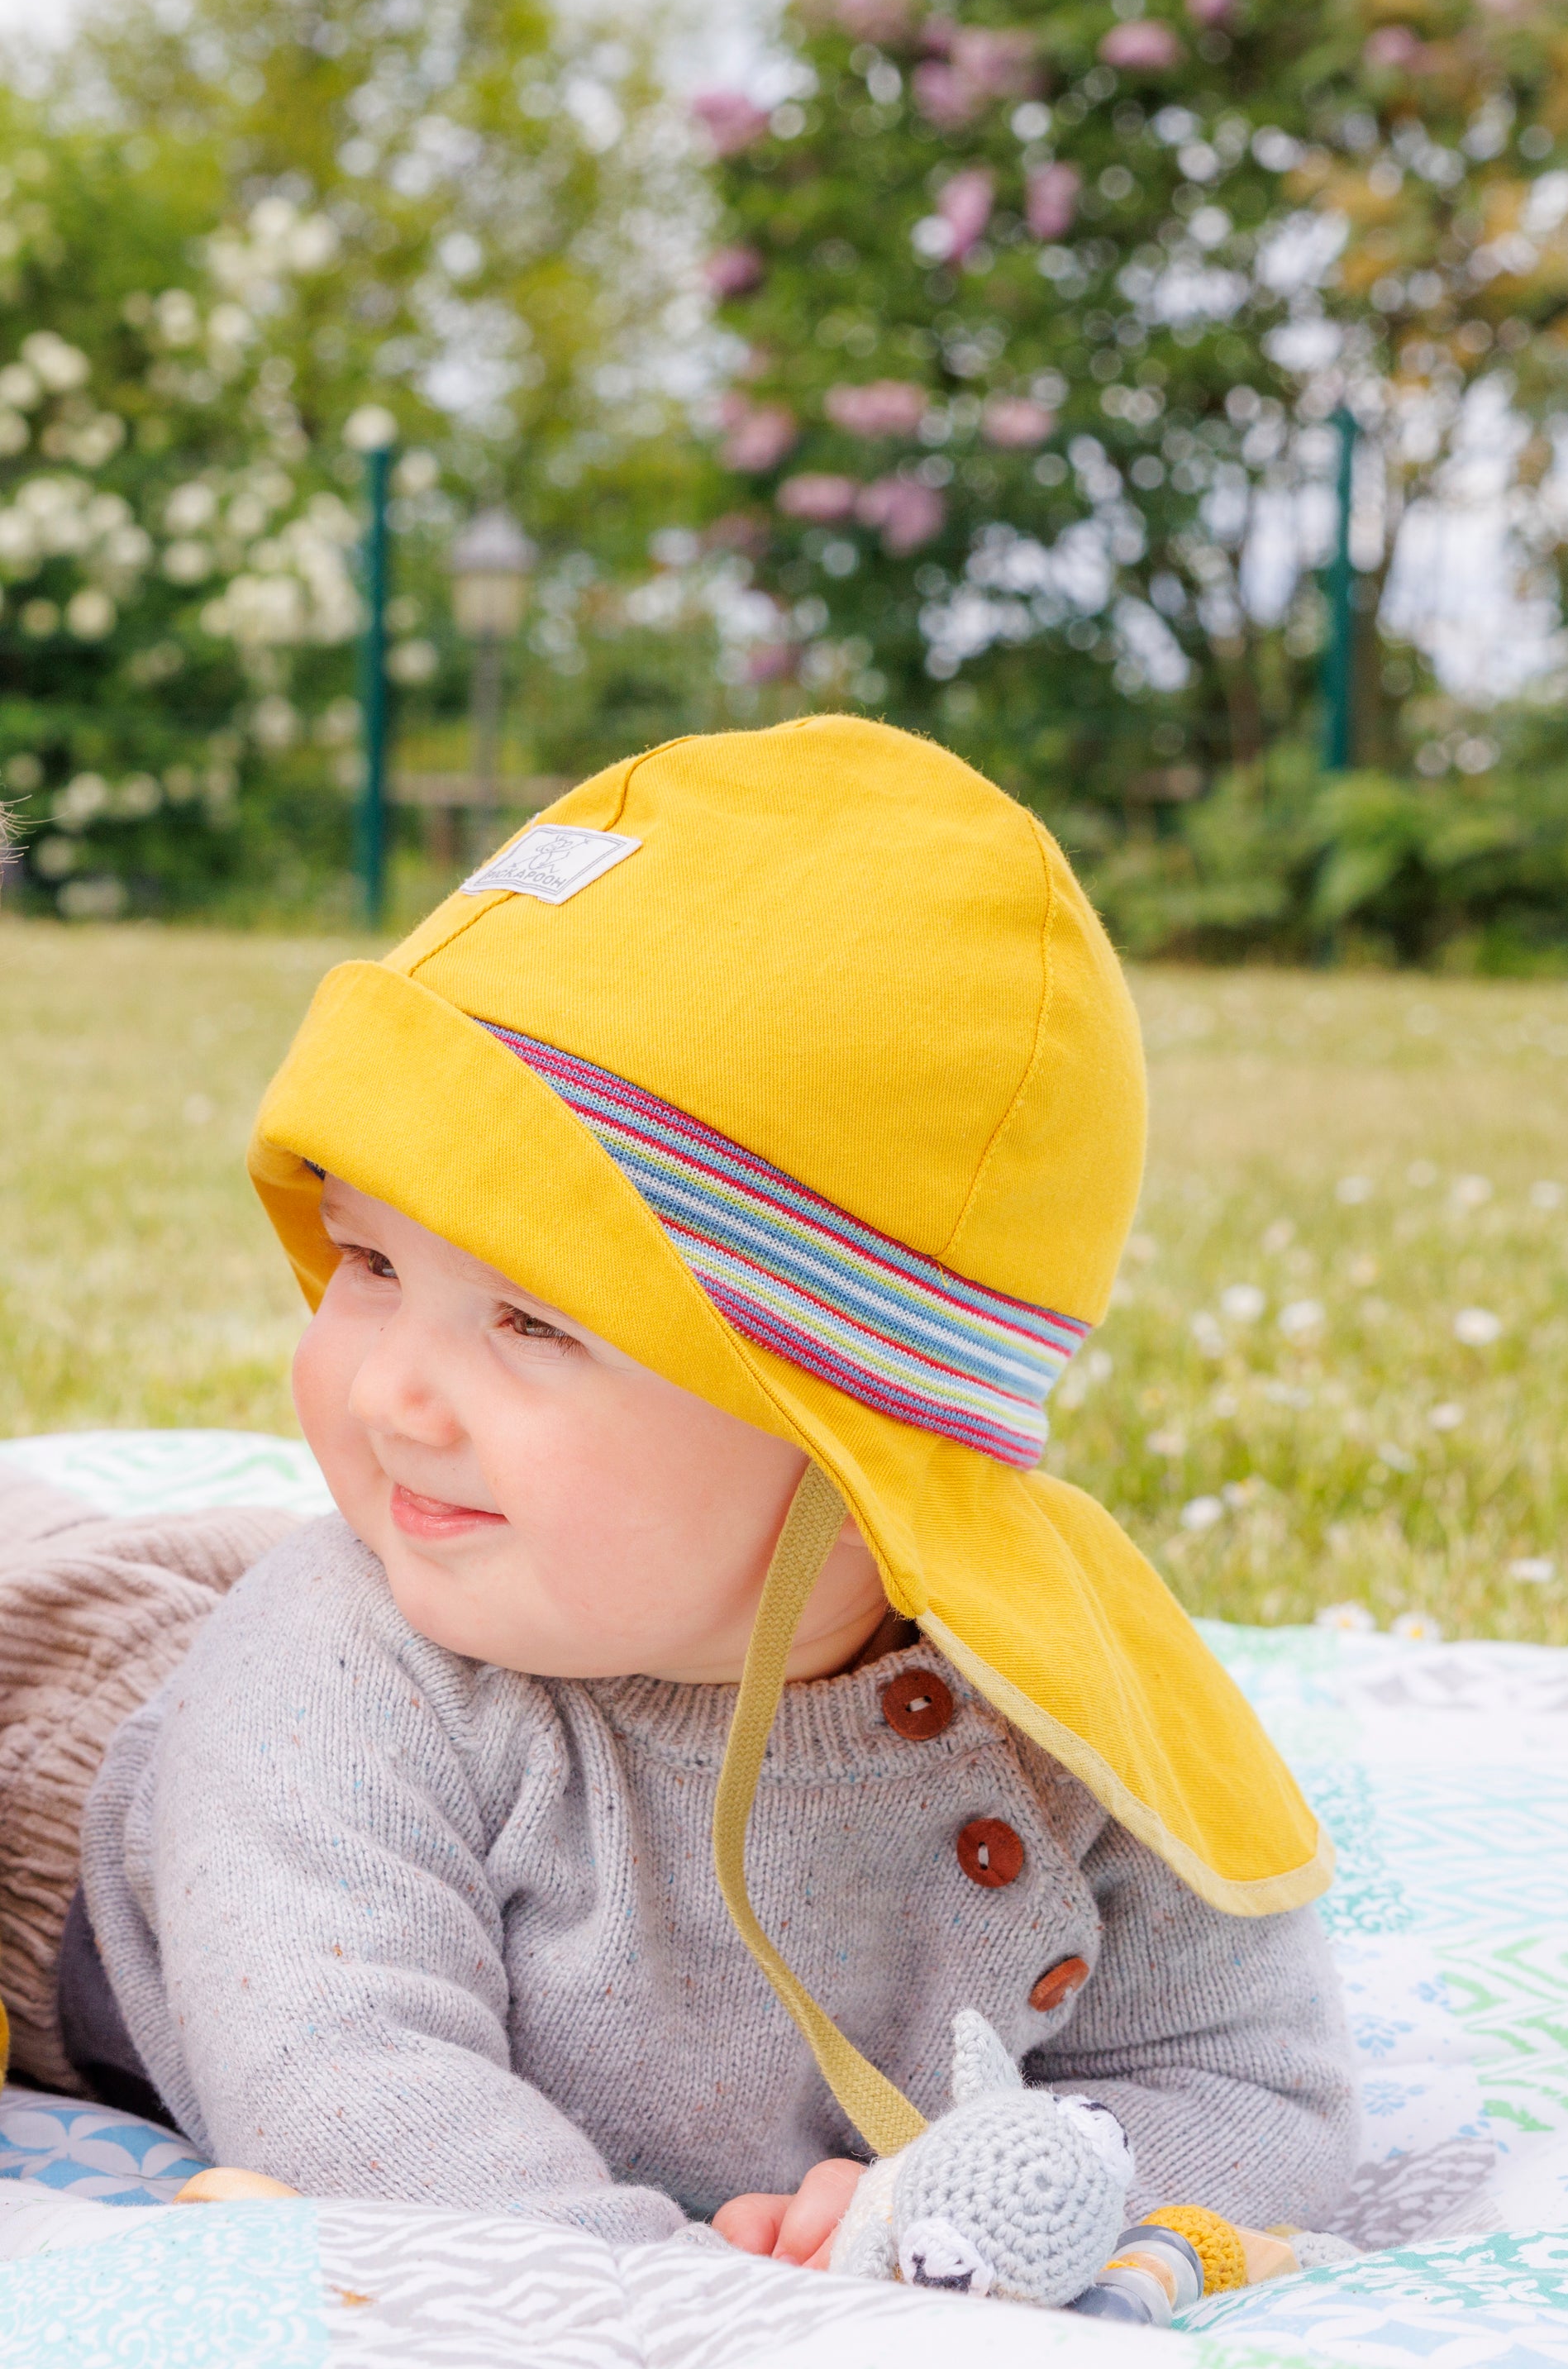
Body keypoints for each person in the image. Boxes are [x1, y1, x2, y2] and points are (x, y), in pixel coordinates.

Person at [68, 717, 1357, 2259]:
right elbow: (348, 2095)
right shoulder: (337, 1667)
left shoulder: (1066, 1715)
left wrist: (1005, 2204)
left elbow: (1253, 2097)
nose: (390, 1393)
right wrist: (693, 2307)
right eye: (368, 1261)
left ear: (850, 1429)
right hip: (63, 1732)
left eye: (536, 1319)